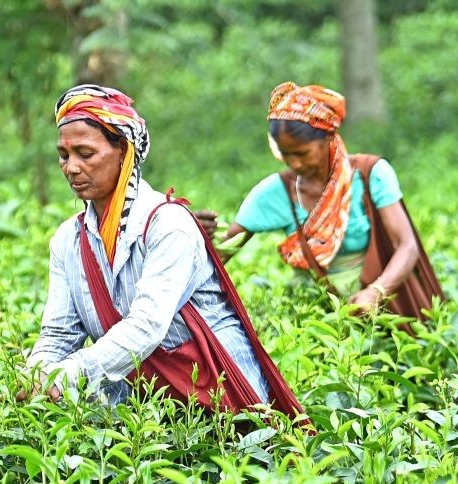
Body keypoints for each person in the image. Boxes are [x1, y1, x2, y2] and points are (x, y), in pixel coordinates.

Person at [18, 84, 303, 418]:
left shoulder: (167, 225)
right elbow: (58, 333)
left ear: (123, 153)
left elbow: (146, 326)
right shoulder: (68, 240)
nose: (71, 167)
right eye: (64, 156)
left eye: (86, 153)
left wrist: (66, 376)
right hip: (143, 406)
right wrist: (36, 374)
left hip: (219, 396)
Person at [198, 82, 443, 318]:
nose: (294, 163)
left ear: (328, 139)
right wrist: (199, 237)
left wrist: (376, 292)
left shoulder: (372, 175)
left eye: (302, 153)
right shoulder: (274, 192)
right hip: (313, 313)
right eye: (285, 154)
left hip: (383, 312)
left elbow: (407, 245)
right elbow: (219, 259)